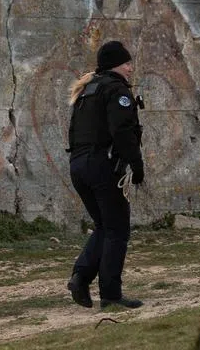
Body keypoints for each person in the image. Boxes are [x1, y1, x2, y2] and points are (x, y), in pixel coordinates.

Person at [66, 40, 145, 309]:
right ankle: (110, 295)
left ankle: (80, 276)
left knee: (105, 226)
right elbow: (121, 131)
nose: (131, 68)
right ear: (116, 65)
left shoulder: (87, 90)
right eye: (127, 63)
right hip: (101, 165)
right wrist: (137, 164)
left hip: (79, 165)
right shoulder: (115, 90)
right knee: (118, 230)